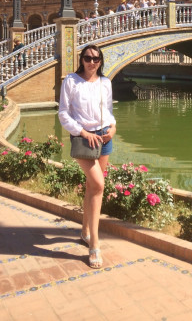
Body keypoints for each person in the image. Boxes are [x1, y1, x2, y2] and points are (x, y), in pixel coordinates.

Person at [58, 45, 116, 269]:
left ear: (101, 61)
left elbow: (108, 110)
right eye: (88, 58)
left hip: (104, 137)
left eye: (96, 59)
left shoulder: (105, 82)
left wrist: (113, 127)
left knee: (92, 187)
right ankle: (94, 245)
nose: (92, 62)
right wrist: (83, 133)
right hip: (84, 138)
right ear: (81, 60)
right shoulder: (71, 81)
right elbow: (63, 113)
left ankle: (84, 232)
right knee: (99, 185)